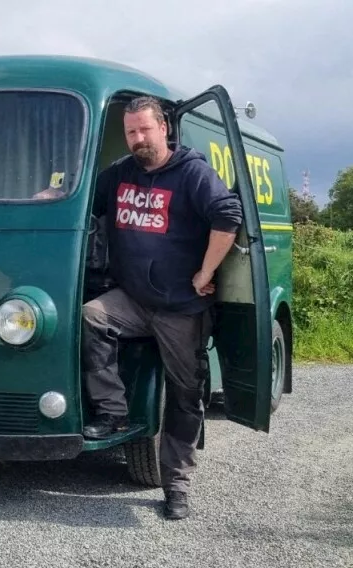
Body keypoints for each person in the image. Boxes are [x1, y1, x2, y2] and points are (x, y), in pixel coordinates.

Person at [73, 96, 242, 521]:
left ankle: (177, 485)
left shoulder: (192, 172)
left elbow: (228, 216)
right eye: (131, 131)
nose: (137, 138)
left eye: (145, 129)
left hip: (179, 306)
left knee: (184, 394)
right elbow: (82, 203)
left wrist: (205, 273)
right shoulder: (120, 174)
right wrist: (50, 193)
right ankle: (113, 415)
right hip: (131, 298)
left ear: (164, 127)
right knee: (91, 316)